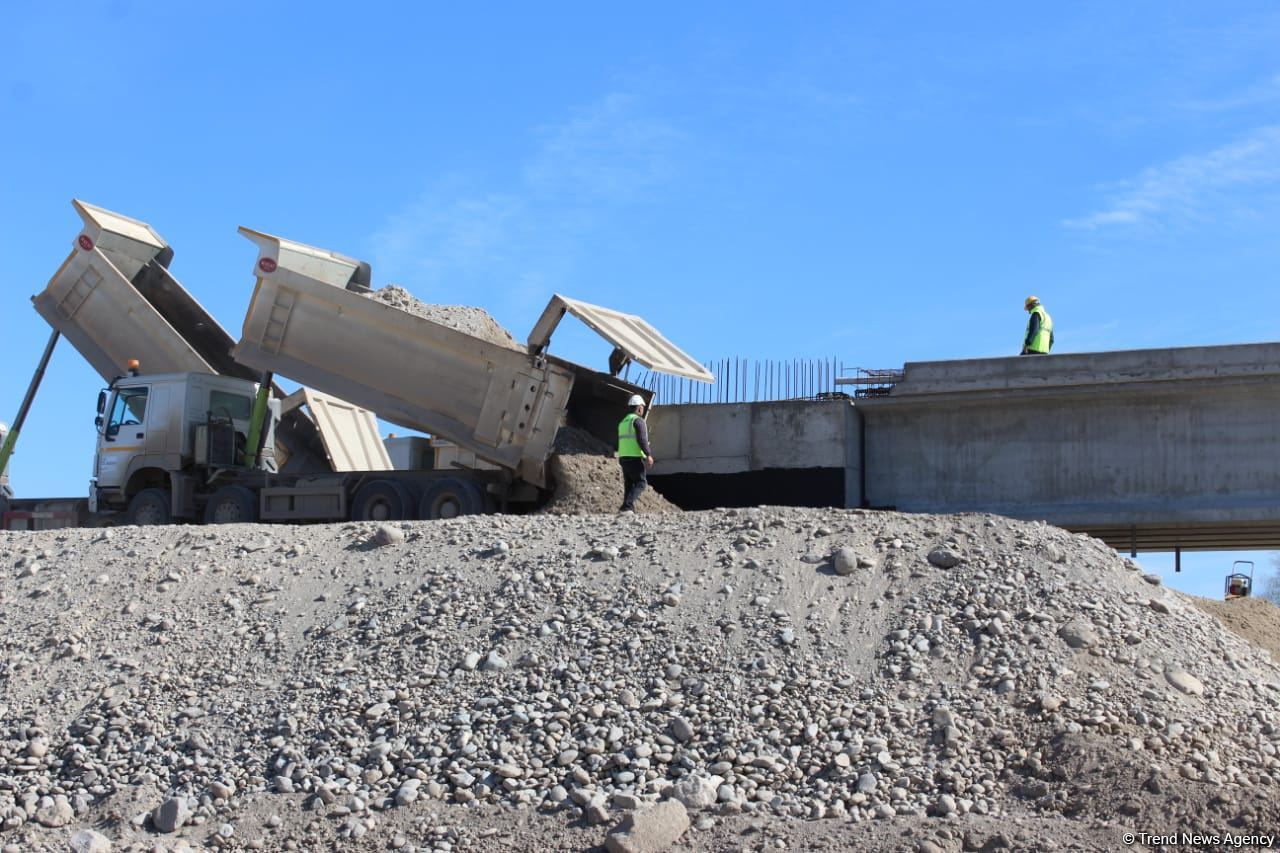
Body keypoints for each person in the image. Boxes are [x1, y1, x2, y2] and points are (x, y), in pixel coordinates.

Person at [617, 393, 654, 512]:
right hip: (634, 457)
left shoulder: (623, 422)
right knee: (641, 483)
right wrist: (648, 454)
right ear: (639, 407)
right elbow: (642, 440)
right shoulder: (638, 421)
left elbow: (629, 439)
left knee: (629, 484)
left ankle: (628, 509)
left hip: (623, 457)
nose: (643, 409)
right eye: (642, 407)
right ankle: (627, 505)